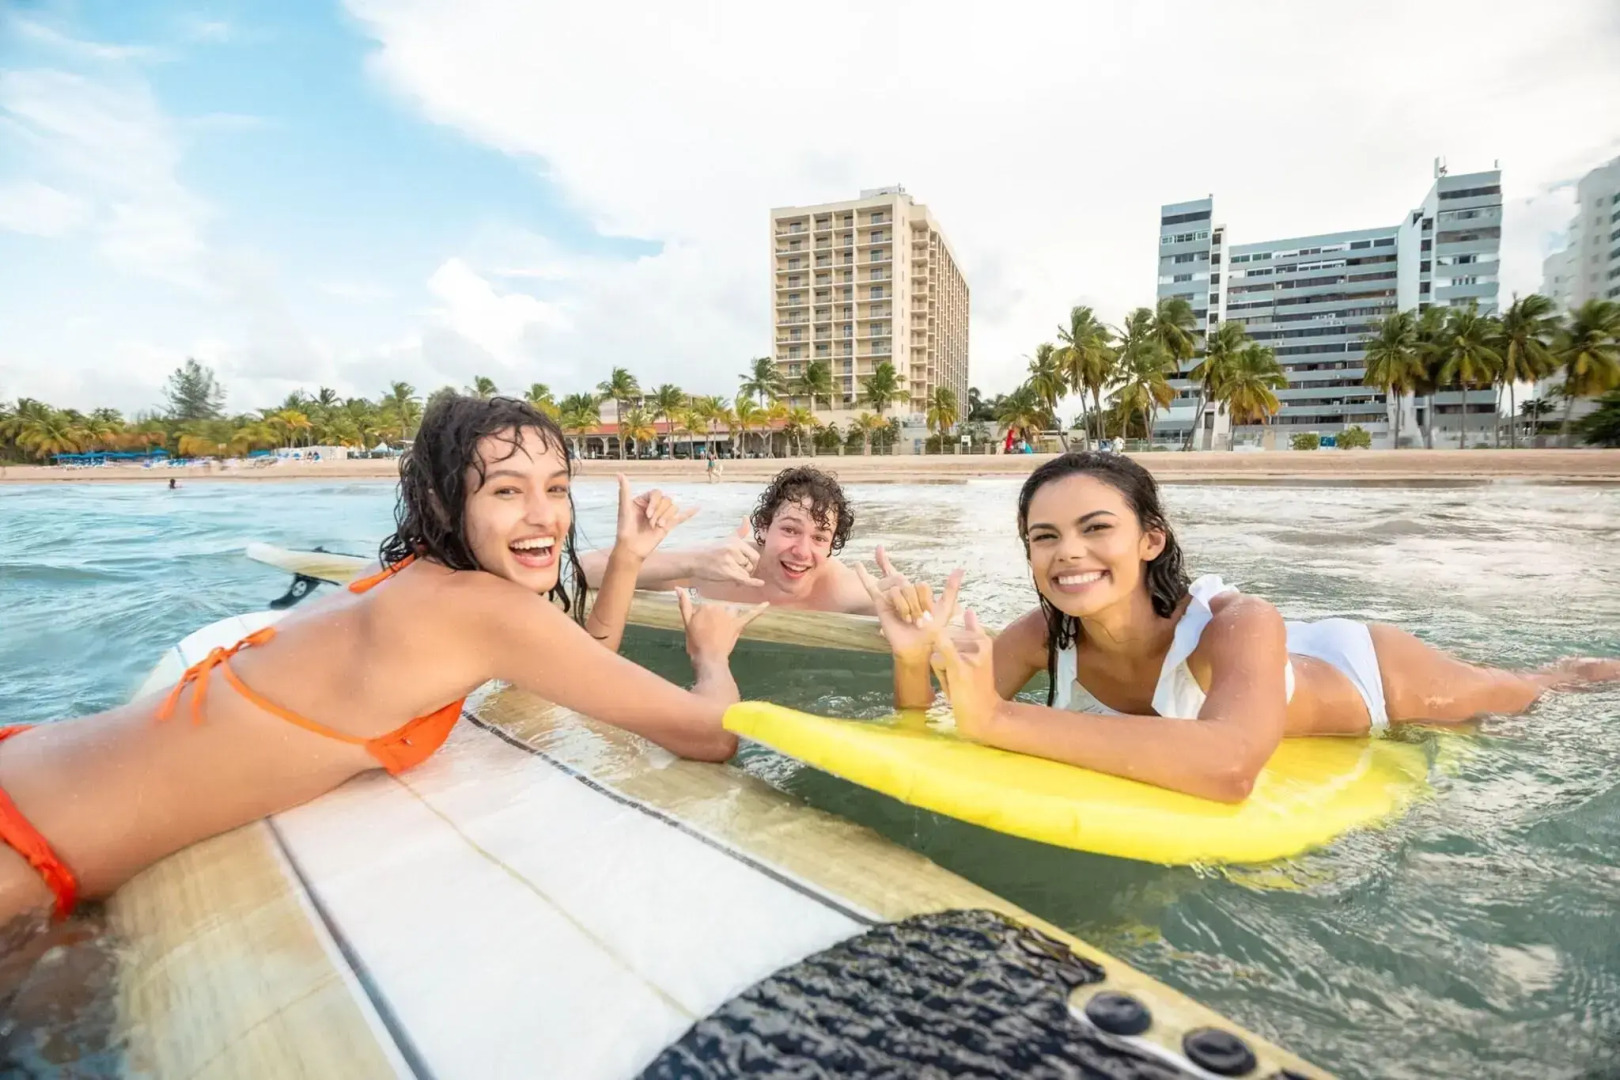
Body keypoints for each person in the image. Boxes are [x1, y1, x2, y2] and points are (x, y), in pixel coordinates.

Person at [0, 396, 766, 924]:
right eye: (507, 490)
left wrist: (628, 559)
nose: (545, 516)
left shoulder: (403, 580)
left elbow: (577, 659)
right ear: (442, 505)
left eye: (558, 489)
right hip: (22, 853)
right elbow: (708, 734)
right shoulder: (479, 610)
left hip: (31, 774)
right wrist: (712, 656)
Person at [857, 451, 1620, 803]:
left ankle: (1576, 668)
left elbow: (1228, 769)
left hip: (1371, 676)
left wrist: (996, 716)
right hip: (1270, 676)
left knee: (1528, 694)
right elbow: (929, 728)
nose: (1069, 555)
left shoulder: (1241, 620)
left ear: (1150, 538)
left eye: (1096, 529)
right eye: (1044, 537)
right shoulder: (1045, 632)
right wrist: (910, 656)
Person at [580, 465, 908, 614]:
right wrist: (692, 562)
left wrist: (907, 603)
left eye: (820, 538)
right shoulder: (720, 567)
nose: (802, 552)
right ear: (763, 527)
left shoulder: (842, 590)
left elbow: (941, 623)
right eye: (790, 530)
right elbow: (586, 569)